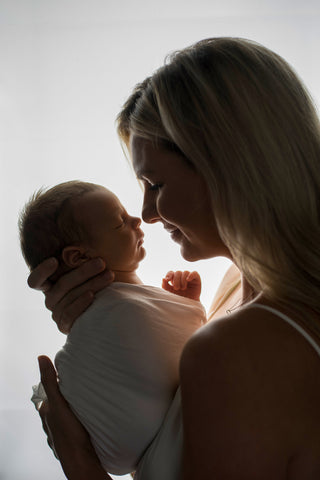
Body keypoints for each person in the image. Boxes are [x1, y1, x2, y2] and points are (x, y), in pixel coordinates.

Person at [28, 37, 320, 479]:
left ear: (229, 166)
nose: (145, 213)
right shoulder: (234, 286)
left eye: (155, 184)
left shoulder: (236, 350)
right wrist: (101, 328)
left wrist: (81, 463)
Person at [19, 180, 206, 476]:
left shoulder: (125, 309)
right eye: (120, 222)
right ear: (79, 258)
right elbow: (167, 349)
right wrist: (187, 305)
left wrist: (80, 462)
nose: (139, 217)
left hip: (111, 449)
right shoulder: (116, 309)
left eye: (158, 182)